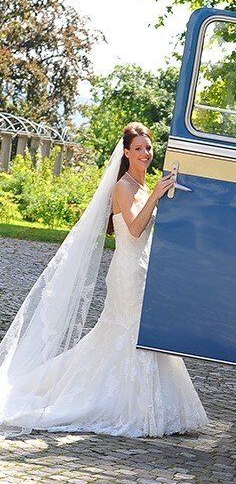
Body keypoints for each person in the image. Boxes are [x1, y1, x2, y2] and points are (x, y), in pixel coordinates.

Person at [0, 123, 208, 437]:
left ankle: (155, 406)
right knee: (127, 332)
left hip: (144, 270)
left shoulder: (143, 186)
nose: (145, 153)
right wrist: (155, 196)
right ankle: (125, 406)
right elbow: (135, 230)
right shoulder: (123, 187)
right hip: (127, 272)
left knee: (142, 333)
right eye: (138, 148)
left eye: (148, 148)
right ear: (126, 153)